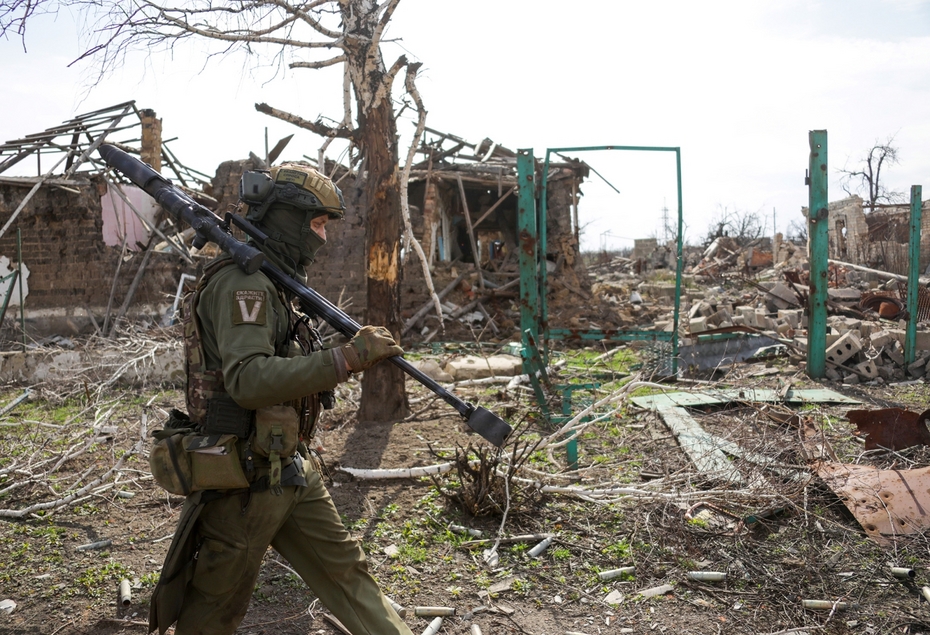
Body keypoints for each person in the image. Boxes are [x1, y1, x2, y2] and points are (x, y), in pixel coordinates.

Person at [148, 162, 412, 635]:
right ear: (286, 219)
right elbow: (248, 379)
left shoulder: (271, 281)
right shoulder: (243, 284)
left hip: (287, 466)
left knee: (348, 576)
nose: (323, 238)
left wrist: (340, 357)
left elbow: (284, 365)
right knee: (214, 610)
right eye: (315, 224)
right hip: (244, 479)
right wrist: (346, 359)